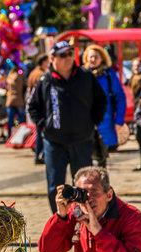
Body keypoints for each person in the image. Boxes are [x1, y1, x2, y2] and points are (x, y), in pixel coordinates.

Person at [28, 41, 106, 213]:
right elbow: (33, 106)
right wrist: (44, 126)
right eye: (63, 55)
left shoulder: (86, 76)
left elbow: (101, 100)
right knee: (55, 186)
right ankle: (60, 220)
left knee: (84, 184)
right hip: (54, 142)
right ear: (52, 58)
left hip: (82, 140)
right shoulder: (45, 80)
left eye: (70, 53)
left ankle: (83, 219)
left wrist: (93, 123)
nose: (68, 58)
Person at [82, 45, 127, 167]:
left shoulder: (108, 75)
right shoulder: (81, 75)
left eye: (96, 57)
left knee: (100, 161)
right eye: (90, 56)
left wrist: (119, 120)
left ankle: (100, 185)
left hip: (104, 123)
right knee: (84, 162)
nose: (93, 59)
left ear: (102, 58)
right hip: (84, 124)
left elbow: (120, 98)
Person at [26, 54, 50, 164]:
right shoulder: (41, 74)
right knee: (42, 134)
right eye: (47, 61)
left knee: (39, 134)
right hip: (41, 108)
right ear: (43, 62)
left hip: (36, 106)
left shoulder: (33, 72)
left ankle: (38, 156)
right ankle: (41, 155)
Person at [128, 58, 141, 171]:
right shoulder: (132, 79)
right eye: (134, 66)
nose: (136, 67)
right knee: (139, 138)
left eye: (138, 65)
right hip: (136, 111)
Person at [5, 65, 26, 138]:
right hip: (19, 100)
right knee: (21, 119)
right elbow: (24, 85)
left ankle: (10, 135)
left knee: (10, 119)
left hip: (10, 100)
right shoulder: (19, 76)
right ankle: (20, 134)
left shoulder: (9, 77)